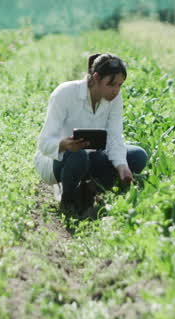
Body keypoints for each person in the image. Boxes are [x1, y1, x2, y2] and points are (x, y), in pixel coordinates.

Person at [34, 52, 148, 216]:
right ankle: (67, 199)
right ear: (96, 78)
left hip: (93, 158)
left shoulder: (114, 99)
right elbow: (44, 143)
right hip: (59, 161)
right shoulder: (65, 93)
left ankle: (89, 190)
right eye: (111, 84)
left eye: (120, 85)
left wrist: (122, 166)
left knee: (138, 156)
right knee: (78, 155)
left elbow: (115, 138)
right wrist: (64, 144)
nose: (116, 90)